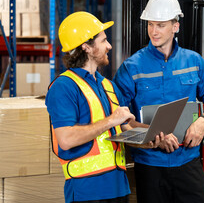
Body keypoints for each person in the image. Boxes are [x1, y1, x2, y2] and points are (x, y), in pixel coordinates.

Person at [113, 0, 204, 203]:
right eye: (150, 25)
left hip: (188, 160)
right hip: (150, 164)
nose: (154, 31)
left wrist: (202, 122)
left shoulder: (194, 61)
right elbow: (120, 117)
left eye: (160, 25)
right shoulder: (131, 67)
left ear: (175, 26)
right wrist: (153, 135)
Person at [46, 11, 162, 203]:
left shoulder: (107, 85)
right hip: (87, 192)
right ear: (87, 47)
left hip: (118, 186)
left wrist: (152, 135)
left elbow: (124, 127)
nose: (109, 46)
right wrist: (111, 120)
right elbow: (65, 139)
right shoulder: (63, 86)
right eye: (103, 41)